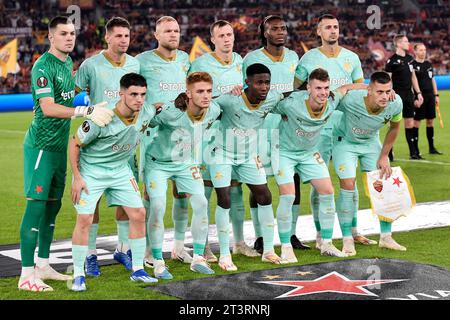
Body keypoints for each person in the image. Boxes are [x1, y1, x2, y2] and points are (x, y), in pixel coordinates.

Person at [18, 16, 113, 292]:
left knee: (53, 207)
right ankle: (26, 274)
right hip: (41, 147)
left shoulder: (67, 64)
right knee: (35, 207)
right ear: (51, 37)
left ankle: (44, 265)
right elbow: (48, 107)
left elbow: (68, 93)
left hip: (60, 146)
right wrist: (85, 110)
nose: (70, 37)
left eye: (72, 33)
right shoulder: (42, 66)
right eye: (63, 33)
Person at [69, 73, 158, 291]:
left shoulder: (146, 111)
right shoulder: (103, 117)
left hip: (120, 170)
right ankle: (79, 274)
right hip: (92, 170)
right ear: (121, 94)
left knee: (138, 214)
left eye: (143, 95)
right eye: (133, 94)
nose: (139, 99)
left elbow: (159, 107)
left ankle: (138, 269)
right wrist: (77, 178)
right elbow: (74, 143)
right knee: (85, 218)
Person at [296, 13, 376, 248]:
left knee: (348, 181)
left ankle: (353, 229)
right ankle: (322, 234)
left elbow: (362, 89)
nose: (333, 30)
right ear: (318, 32)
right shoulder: (308, 59)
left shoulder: (351, 58)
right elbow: (298, 92)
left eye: (336, 27)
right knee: (319, 180)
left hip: (346, 127)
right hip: (318, 128)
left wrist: (347, 89)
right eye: (328, 27)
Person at [272, 68, 366, 258]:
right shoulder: (291, 104)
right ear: (308, 88)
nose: (323, 92)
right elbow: (266, 103)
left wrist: (371, 88)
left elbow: (346, 88)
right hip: (284, 152)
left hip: (308, 153)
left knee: (327, 191)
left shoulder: (332, 99)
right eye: (318, 88)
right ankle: (285, 247)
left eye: (325, 88)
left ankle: (326, 243)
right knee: (288, 195)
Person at [75, 16, 140, 276]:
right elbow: (74, 92)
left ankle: (123, 249)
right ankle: (90, 255)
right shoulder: (90, 65)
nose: (124, 40)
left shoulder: (135, 63)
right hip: (97, 145)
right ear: (107, 37)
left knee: (127, 202)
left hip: (125, 145)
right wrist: (85, 112)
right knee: (94, 204)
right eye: (119, 35)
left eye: (127, 35)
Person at [189, 20, 258, 261]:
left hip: (234, 135)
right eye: (222, 35)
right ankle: (204, 246)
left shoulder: (241, 61)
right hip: (208, 136)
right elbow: (196, 97)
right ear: (213, 40)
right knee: (205, 193)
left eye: (230, 34)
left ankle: (239, 242)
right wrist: (224, 95)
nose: (227, 39)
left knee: (235, 191)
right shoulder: (200, 65)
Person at [209, 63, 288, 271]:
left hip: (249, 156)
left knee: (265, 195)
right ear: (247, 83)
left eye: (267, 82)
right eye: (259, 82)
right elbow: (207, 102)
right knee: (224, 199)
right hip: (223, 154)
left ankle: (269, 250)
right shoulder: (231, 99)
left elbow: (289, 95)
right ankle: (225, 255)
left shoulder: (272, 97)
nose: (264, 87)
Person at [243, 15, 310, 254]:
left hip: (288, 130)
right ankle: (261, 236)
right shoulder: (252, 59)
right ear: (265, 32)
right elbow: (244, 90)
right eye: (275, 28)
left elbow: (300, 87)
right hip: (260, 129)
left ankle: (290, 233)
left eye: (283, 28)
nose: (280, 32)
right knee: (258, 183)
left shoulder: (293, 57)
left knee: (293, 182)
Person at [146, 72, 218, 279]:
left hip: (185, 163)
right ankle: (158, 261)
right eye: (200, 91)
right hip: (158, 163)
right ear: (188, 93)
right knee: (158, 206)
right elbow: (148, 122)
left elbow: (223, 104)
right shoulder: (171, 111)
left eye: (209, 91)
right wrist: (158, 105)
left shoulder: (214, 109)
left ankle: (198, 258)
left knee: (202, 203)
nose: (206, 96)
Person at [136, 16, 192, 267]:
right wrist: (148, 108)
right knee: (152, 197)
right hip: (154, 135)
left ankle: (179, 247)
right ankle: (149, 250)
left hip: (181, 135)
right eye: (167, 31)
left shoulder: (184, 59)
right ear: (156, 35)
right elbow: (129, 91)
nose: (173, 34)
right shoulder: (141, 61)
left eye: (177, 30)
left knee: (182, 194)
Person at [332, 71, 406, 253]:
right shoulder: (351, 100)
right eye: (379, 92)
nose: (385, 96)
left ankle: (386, 237)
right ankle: (347, 239)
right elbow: (331, 96)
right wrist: (351, 86)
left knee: (382, 183)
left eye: (387, 91)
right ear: (369, 90)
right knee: (348, 185)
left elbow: (395, 128)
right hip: (345, 142)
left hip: (371, 143)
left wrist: (384, 155)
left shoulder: (395, 103)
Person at [385, 34, 424, 160]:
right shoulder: (391, 61)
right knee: (394, 125)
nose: (408, 44)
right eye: (406, 41)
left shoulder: (410, 59)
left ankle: (413, 152)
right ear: (398, 44)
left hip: (409, 95)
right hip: (396, 96)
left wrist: (418, 93)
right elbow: (387, 79)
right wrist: (389, 91)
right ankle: (389, 152)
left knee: (410, 123)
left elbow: (413, 77)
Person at [412, 43, 442, 155]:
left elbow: (432, 79)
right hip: (420, 97)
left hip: (430, 96)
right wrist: (416, 95)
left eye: (424, 50)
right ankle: (415, 149)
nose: (423, 52)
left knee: (430, 121)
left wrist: (436, 95)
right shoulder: (412, 65)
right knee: (416, 122)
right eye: (420, 50)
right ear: (415, 51)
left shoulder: (428, 64)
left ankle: (431, 148)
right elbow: (412, 82)